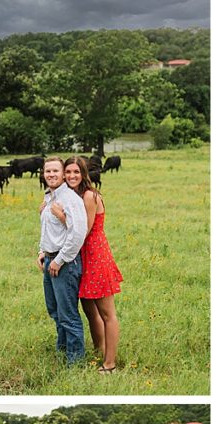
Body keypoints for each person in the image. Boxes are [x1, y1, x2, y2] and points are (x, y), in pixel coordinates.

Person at [55, 156, 123, 373]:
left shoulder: (88, 196)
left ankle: (110, 363)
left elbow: (83, 229)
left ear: (84, 174)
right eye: (68, 172)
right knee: (89, 309)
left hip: (95, 255)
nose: (72, 176)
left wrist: (62, 217)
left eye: (76, 172)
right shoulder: (72, 195)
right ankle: (98, 349)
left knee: (106, 313)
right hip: (81, 256)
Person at [37, 157, 88, 365]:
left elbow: (78, 233)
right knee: (55, 310)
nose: (51, 174)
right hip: (50, 260)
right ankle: (63, 350)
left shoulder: (70, 199)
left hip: (65, 263)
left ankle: (75, 362)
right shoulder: (49, 197)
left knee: (68, 314)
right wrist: (42, 251)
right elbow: (48, 229)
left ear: (62, 173)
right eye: (47, 171)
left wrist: (59, 260)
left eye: (55, 171)